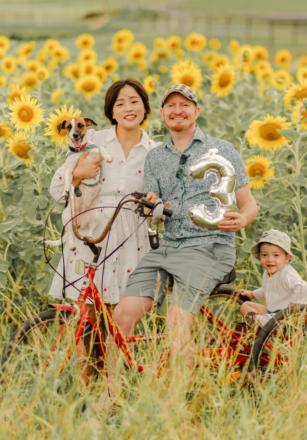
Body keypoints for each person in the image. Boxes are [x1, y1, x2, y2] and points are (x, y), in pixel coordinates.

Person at [95, 83, 258, 413]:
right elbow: (154, 209)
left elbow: (249, 203)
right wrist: (150, 205)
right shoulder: (155, 157)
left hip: (210, 246)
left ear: (196, 112)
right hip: (168, 249)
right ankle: (109, 397)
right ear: (164, 114)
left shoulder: (223, 150)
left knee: (176, 322)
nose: (178, 110)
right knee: (121, 316)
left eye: (185, 105)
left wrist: (241, 220)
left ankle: (175, 408)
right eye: (170, 106)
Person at [48, 79, 157, 380]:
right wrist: (77, 176)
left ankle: (114, 387)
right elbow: (57, 190)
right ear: (111, 111)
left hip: (130, 236)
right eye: (120, 103)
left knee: (119, 316)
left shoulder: (155, 151)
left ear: (145, 107)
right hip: (93, 232)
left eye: (134, 101)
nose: (128, 108)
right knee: (87, 315)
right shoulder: (93, 140)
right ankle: (87, 384)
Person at [238, 229, 307, 330]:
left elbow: (303, 286)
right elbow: (268, 289)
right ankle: (262, 321)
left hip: (290, 315)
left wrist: (293, 305)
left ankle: (267, 322)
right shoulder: (268, 272)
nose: (269, 259)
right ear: (259, 256)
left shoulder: (287, 273)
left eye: (276, 255)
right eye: (264, 255)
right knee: (245, 305)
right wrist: (252, 294)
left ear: (286, 258)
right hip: (273, 313)